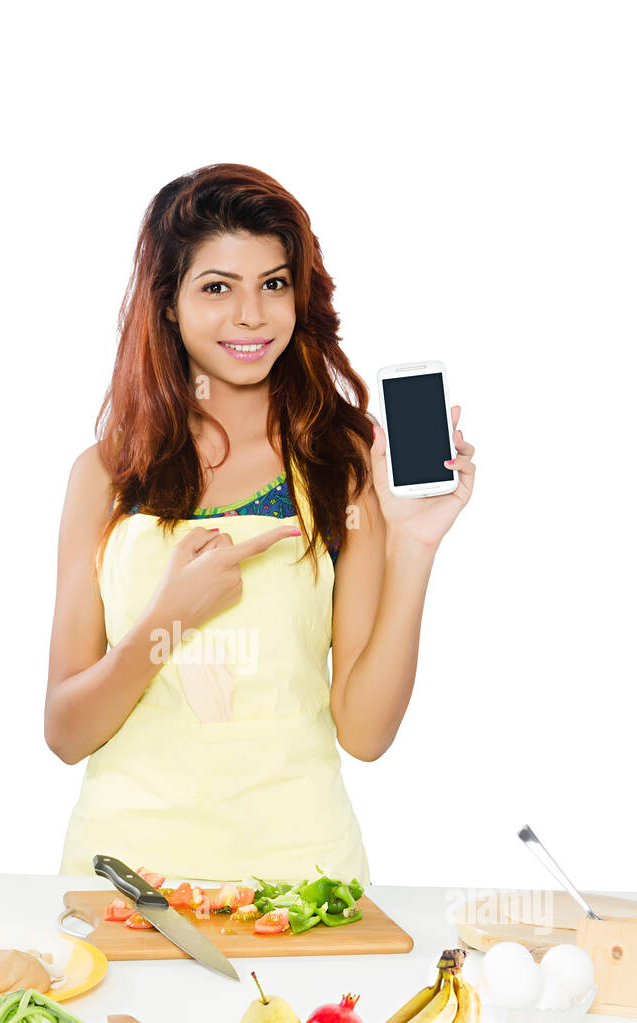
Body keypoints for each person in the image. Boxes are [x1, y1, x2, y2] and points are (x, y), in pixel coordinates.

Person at [45, 164, 475, 886]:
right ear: (169, 305)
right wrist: (169, 621)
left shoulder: (341, 465)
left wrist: (414, 546)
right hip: (124, 883)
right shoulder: (106, 475)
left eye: (273, 284)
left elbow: (365, 735)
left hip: (302, 882)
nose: (251, 316)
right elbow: (65, 732)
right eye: (217, 287)